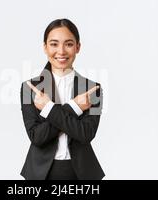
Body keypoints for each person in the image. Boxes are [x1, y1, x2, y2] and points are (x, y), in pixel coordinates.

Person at [20, 18, 104, 180]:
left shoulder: (94, 90)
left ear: (78, 47)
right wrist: (74, 106)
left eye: (69, 44)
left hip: (81, 174)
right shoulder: (29, 88)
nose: (61, 51)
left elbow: (86, 134)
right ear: (45, 47)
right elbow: (37, 137)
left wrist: (49, 109)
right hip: (40, 172)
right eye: (54, 44)